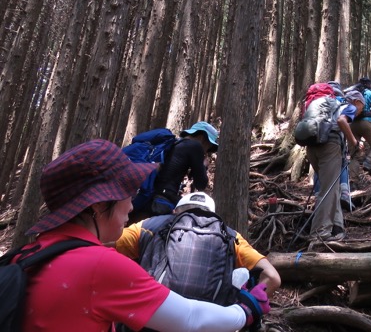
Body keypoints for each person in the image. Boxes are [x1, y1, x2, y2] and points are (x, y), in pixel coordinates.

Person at [14, 138, 267, 332]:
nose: (132, 206)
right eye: (128, 194)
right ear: (98, 205)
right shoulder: (100, 265)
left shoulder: (27, 254)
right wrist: (245, 310)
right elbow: (190, 318)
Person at [117, 191, 281, 297]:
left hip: (153, 317)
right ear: (211, 214)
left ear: (175, 212)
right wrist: (246, 310)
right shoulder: (230, 236)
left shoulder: (151, 226)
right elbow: (272, 278)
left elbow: (104, 244)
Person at [305, 91, 359, 241]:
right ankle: (319, 233)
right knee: (328, 190)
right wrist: (354, 143)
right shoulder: (348, 106)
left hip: (311, 147)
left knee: (331, 187)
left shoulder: (317, 106)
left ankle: (336, 227)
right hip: (330, 147)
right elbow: (342, 121)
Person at [148, 121, 219, 217]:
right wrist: (204, 165)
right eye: (209, 145)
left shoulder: (177, 143)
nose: (207, 150)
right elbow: (201, 184)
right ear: (203, 138)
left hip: (153, 196)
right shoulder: (195, 146)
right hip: (163, 202)